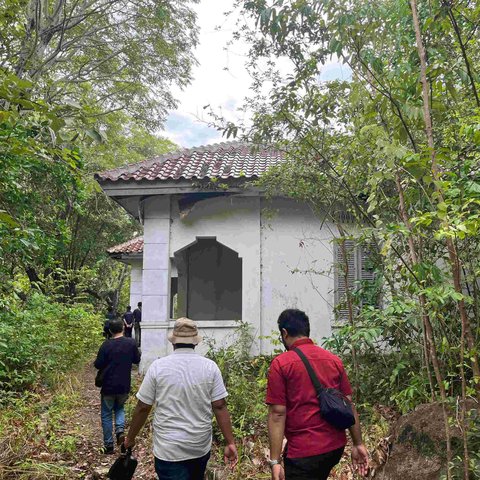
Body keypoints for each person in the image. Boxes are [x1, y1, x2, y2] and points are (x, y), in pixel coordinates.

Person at [124, 317, 238, 479]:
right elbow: (219, 406)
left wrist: (130, 438)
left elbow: (143, 407)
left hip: (168, 449)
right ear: (196, 342)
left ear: (173, 342)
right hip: (199, 447)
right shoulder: (209, 367)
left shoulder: (158, 367)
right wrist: (230, 442)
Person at [266, 309, 369, 480]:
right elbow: (349, 405)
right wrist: (358, 444)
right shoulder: (333, 360)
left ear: (284, 333)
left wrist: (275, 461)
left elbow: (277, 413)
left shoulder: (281, 364)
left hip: (303, 453)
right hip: (334, 449)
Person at [94, 319, 141, 454]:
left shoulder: (106, 345)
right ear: (122, 328)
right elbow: (137, 360)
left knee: (107, 414)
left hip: (108, 385)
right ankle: (120, 430)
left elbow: (98, 364)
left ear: (110, 331)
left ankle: (108, 445)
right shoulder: (131, 343)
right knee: (120, 408)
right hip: (124, 384)